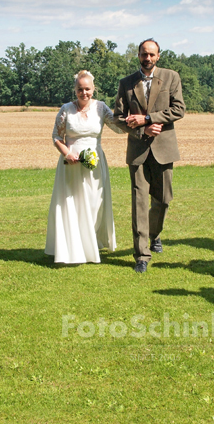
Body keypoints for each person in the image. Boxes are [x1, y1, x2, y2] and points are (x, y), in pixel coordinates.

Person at [113, 39, 185, 273]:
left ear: (159, 56)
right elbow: (118, 117)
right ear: (138, 55)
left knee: (163, 200)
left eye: (152, 54)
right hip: (138, 150)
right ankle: (141, 255)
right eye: (144, 54)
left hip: (164, 149)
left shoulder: (171, 77)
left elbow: (178, 109)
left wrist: (148, 119)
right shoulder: (126, 83)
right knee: (139, 202)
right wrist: (139, 129)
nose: (148, 58)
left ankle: (154, 235)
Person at [45, 70, 122, 263]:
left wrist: (135, 120)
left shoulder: (101, 108)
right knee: (73, 204)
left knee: (95, 204)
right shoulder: (66, 109)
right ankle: (74, 248)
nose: (84, 93)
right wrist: (67, 153)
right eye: (80, 89)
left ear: (93, 89)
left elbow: (118, 127)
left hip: (96, 165)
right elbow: (56, 136)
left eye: (87, 89)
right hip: (71, 166)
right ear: (75, 90)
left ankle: (92, 244)